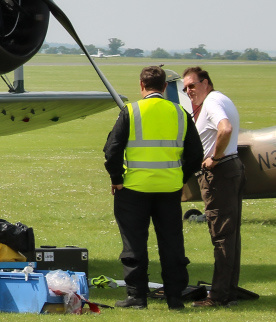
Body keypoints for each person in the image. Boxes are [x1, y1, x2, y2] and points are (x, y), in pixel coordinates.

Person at [103, 66, 203, 309]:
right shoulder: (180, 112)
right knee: (171, 244)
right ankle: (175, 298)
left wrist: (117, 178)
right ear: (165, 86)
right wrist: (180, 178)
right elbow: (196, 154)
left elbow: (112, 150)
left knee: (134, 243)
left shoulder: (131, 111)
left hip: (134, 188)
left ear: (141, 85)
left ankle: (137, 297)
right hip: (169, 189)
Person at [181, 66, 243, 307]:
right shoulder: (221, 98)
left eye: (192, 85)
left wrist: (214, 158)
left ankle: (218, 297)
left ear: (206, 82)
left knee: (221, 236)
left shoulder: (211, 102)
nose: (189, 91)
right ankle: (229, 291)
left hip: (220, 173)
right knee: (230, 236)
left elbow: (224, 128)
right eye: (186, 88)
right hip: (232, 168)